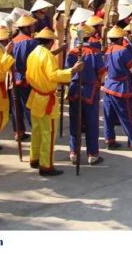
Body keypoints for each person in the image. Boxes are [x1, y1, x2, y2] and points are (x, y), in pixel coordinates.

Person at [26, 28, 83, 176]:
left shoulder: (33, 53)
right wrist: (72, 70)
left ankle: (34, 158)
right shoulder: (47, 56)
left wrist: (60, 51)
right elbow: (53, 75)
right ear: (51, 42)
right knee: (48, 133)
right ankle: (46, 165)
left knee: (36, 131)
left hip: (35, 96)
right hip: (46, 99)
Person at [66, 24, 106, 166]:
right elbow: (101, 72)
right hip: (90, 91)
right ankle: (92, 154)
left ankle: (74, 153)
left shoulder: (72, 52)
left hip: (74, 89)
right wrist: (98, 82)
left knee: (75, 123)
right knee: (91, 123)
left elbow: (67, 71)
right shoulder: (95, 53)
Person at [11, 14, 38, 140]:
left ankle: (19, 132)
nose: (34, 27)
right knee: (30, 105)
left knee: (16, 106)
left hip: (13, 76)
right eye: (32, 25)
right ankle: (35, 130)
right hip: (27, 77)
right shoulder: (32, 42)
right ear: (27, 27)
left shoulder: (12, 41)